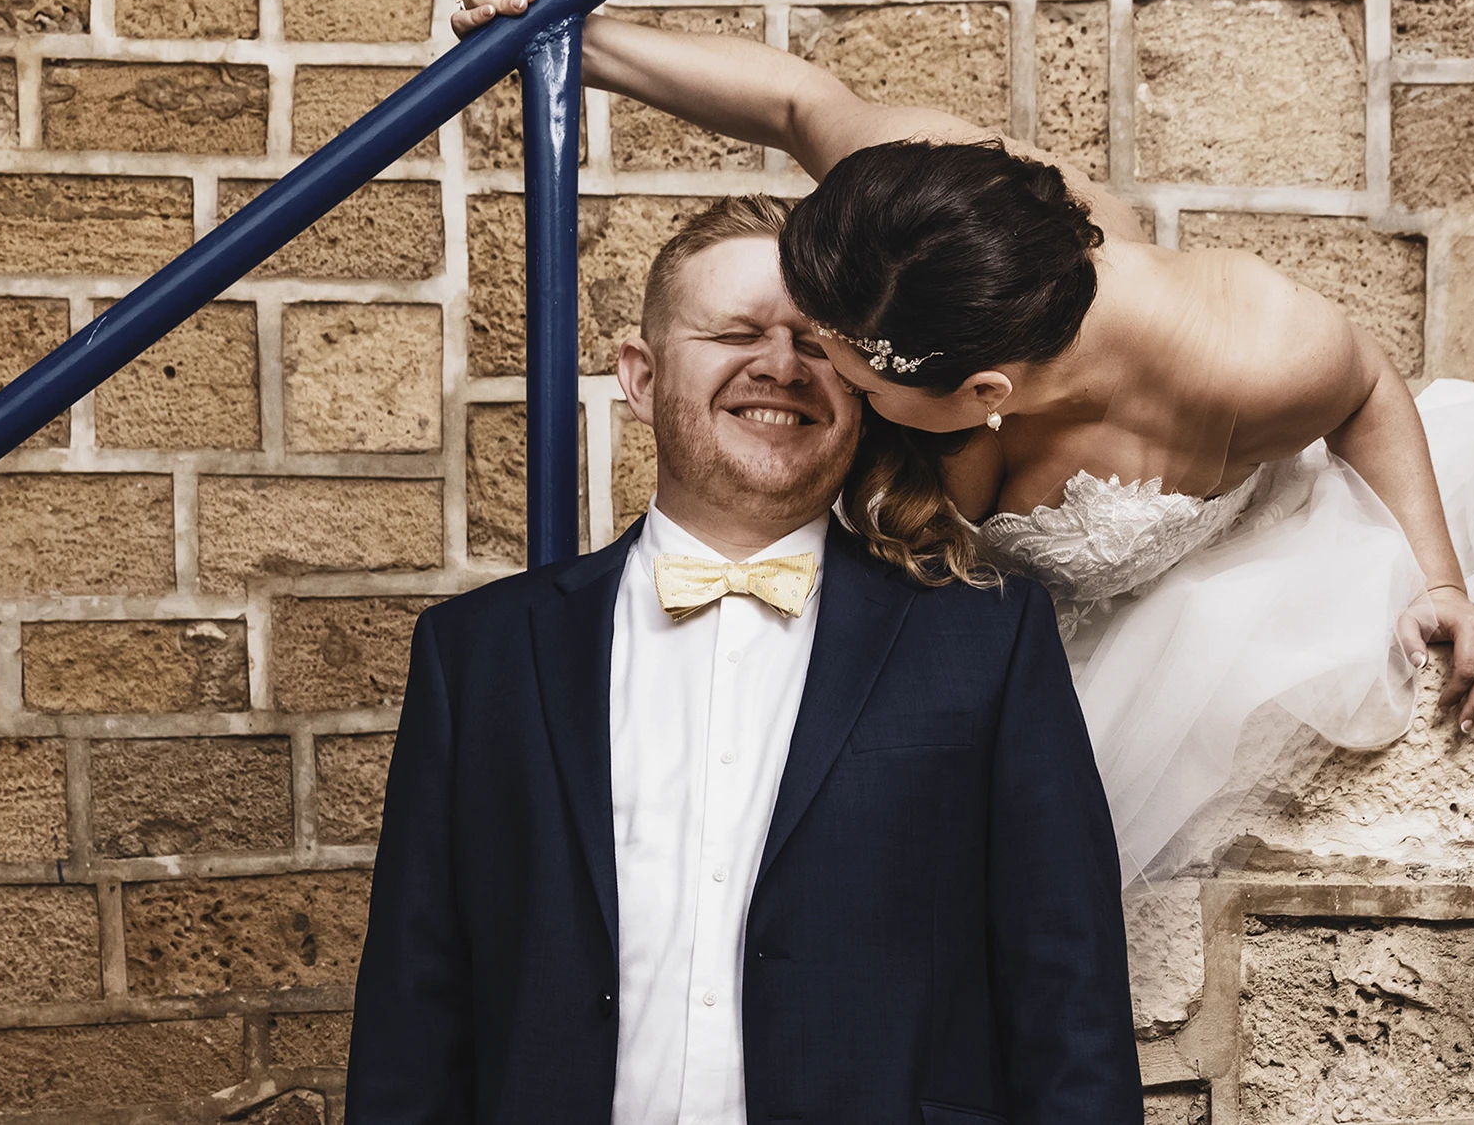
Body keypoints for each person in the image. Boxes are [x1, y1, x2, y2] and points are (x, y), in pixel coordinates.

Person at [453, 0, 1474, 885]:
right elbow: (790, 101)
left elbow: (1366, 393)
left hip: (1198, 601)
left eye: (849, 371)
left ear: (981, 397)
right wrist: (561, 27)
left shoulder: (1253, 347)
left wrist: (1440, 581)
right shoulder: (916, 204)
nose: (811, 374)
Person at [346, 196, 1144, 1124]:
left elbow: (1069, 998)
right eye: (735, 332)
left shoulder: (988, 643)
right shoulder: (476, 655)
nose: (779, 366)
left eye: (817, 344)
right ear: (640, 378)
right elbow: (414, 1006)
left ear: (864, 388)